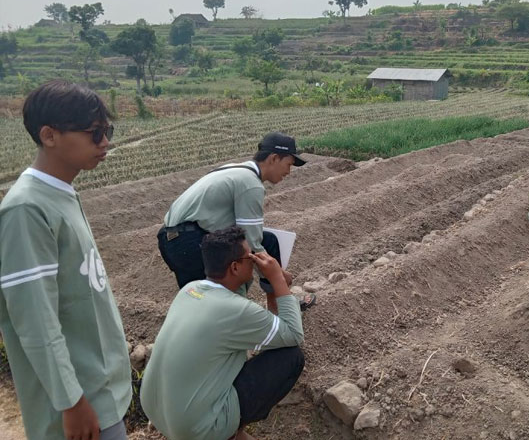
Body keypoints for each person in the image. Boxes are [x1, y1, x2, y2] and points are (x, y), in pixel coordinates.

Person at [0, 81, 131, 440]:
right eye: (94, 133)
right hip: (78, 407)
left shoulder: (60, 194)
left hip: (98, 392)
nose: (105, 142)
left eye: (108, 131)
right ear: (49, 135)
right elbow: (35, 320)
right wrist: (71, 402)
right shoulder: (27, 209)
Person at [141, 226, 305, 440]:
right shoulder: (236, 311)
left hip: (157, 411)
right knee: (291, 358)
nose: (255, 260)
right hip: (194, 429)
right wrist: (278, 279)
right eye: (250, 257)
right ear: (235, 267)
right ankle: (227, 433)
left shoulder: (190, 290)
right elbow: (293, 334)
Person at [157, 131, 315, 310]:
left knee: (269, 241)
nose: (288, 172)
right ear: (273, 158)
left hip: (181, 237)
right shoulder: (251, 184)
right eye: (289, 164)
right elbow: (252, 243)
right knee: (219, 291)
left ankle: (277, 306)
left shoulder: (238, 170)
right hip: (186, 242)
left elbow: (253, 239)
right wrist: (278, 276)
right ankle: (240, 318)